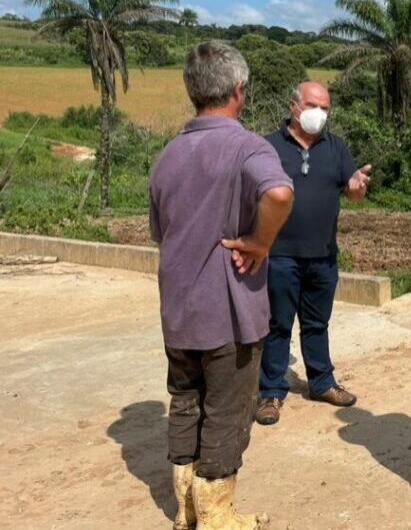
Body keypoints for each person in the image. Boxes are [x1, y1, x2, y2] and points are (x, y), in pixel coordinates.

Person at [149, 41, 294, 530]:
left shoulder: (167, 155)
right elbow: (279, 192)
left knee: (185, 402)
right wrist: (259, 241)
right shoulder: (248, 146)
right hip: (229, 314)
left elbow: (162, 233)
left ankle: (185, 509)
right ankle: (216, 515)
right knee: (228, 411)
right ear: (238, 90)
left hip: (178, 311)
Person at [254, 81, 372, 426]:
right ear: (293, 106)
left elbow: (353, 193)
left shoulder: (336, 147)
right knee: (277, 325)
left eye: (325, 108)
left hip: (323, 255)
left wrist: (357, 188)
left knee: (317, 324)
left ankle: (321, 382)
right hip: (279, 255)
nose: (319, 114)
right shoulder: (268, 147)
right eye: (312, 106)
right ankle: (270, 392)